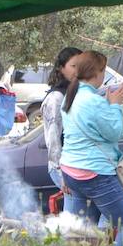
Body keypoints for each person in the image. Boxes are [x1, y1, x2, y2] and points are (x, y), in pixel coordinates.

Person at [59, 50, 123, 246]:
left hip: (71, 170)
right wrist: (114, 105)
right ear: (97, 73)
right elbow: (113, 132)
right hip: (96, 172)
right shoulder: (93, 101)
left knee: (84, 228)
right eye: (103, 71)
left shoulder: (71, 96)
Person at [41, 46, 83, 192]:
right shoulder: (56, 98)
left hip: (79, 166)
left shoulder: (80, 92)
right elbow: (53, 138)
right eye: (73, 66)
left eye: (81, 66)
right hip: (65, 167)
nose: (77, 70)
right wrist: (61, 172)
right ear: (61, 68)